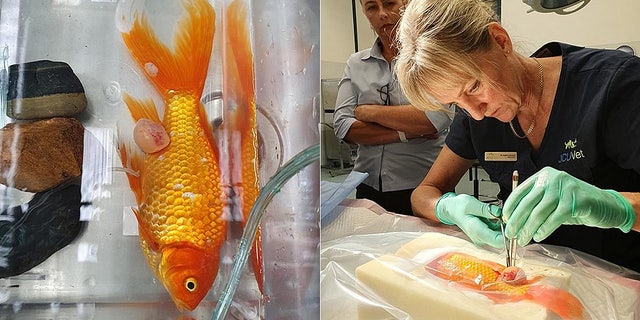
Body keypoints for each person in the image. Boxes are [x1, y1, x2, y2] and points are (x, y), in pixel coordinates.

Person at [395, 0, 640, 272]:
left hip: (620, 284)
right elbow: (423, 194)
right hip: (536, 280)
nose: (476, 114)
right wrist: (447, 207)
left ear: (500, 41)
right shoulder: (475, 116)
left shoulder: (616, 85)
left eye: (474, 86)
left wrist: (616, 207)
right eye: (457, 102)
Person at [333, 0, 453, 216]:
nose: (382, 14)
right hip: (367, 184)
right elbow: (344, 127)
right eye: (371, 8)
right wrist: (406, 134)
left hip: (423, 184)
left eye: (389, 3)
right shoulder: (356, 63)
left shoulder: (430, 58)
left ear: (406, 4)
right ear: (364, 13)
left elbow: (433, 119)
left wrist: (369, 112)